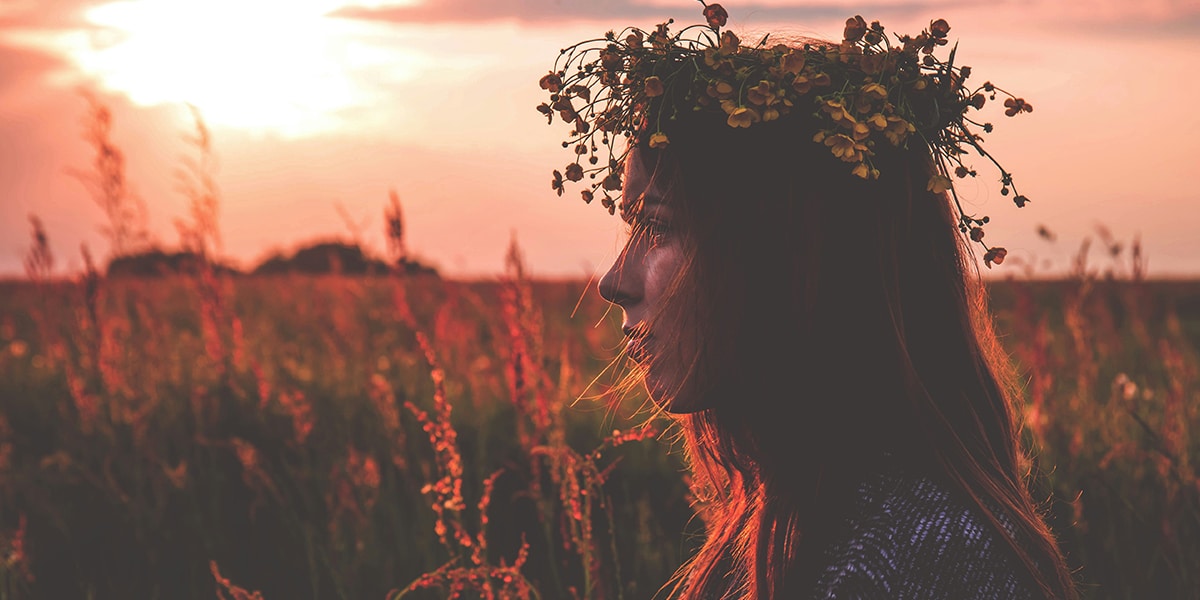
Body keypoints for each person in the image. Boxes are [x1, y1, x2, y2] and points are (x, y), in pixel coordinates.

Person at [539, 4, 1076, 599]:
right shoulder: (814, 517)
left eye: (659, 227)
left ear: (782, 256)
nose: (614, 279)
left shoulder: (922, 555)